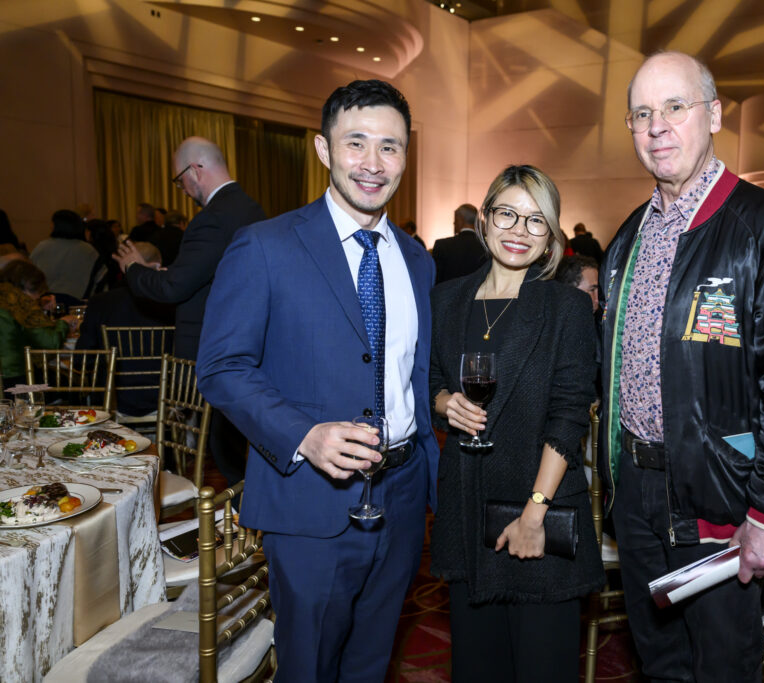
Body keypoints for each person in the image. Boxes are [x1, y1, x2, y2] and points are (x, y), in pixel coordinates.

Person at [598, 52, 764, 682]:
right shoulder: (628, 236)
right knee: (661, 664)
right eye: (642, 114)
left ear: (714, 115)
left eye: (675, 107)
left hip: (722, 499)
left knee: (722, 667)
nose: (658, 127)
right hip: (640, 495)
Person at [197, 79, 439, 683]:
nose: (374, 163)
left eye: (391, 147)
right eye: (356, 143)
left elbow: (412, 372)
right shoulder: (265, 246)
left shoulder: (417, 259)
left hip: (403, 497)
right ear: (324, 149)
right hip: (311, 502)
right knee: (307, 667)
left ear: (406, 157)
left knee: (370, 662)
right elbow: (222, 367)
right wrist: (304, 434)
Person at [429, 165, 603, 681]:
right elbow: (430, 378)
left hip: (536, 512)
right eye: (507, 213)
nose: (518, 231)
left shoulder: (566, 307)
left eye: (535, 221)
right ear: (484, 220)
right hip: (466, 505)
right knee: (476, 667)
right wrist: (443, 403)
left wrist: (534, 514)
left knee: (539, 668)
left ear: (551, 238)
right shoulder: (446, 300)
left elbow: (570, 416)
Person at [114, 135, 266, 486]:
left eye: (179, 178)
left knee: (226, 458)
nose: (181, 188)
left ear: (195, 169)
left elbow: (172, 290)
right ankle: (247, 528)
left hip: (215, 350)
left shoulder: (212, 218)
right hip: (246, 346)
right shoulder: (250, 208)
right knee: (233, 451)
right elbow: (217, 276)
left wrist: (134, 269)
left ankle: (245, 528)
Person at [76, 241, 175, 417]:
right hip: (167, 398)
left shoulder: (101, 302)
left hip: (112, 400)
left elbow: (84, 359)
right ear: (157, 267)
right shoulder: (173, 304)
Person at [0, 260, 77, 389]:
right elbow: (50, 343)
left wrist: (39, 305)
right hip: (16, 378)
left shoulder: (6, 297)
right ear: (28, 285)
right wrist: (64, 323)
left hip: (5, 377)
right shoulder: (22, 304)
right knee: (70, 385)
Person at [30, 209, 99, 299]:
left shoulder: (43, 246)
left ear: (55, 225)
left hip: (47, 300)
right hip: (79, 301)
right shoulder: (88, 249)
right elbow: (98, 279)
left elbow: (30, 274)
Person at [432, 203, 488, 283]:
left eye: (455, 219)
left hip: (449, 294)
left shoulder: (442, 245)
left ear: (460, 219)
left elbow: (436, 279)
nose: (453, 223)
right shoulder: (486, 246)